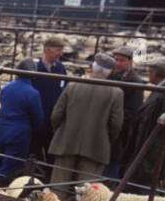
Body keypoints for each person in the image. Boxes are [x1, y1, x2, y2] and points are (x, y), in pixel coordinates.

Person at [48, 54, 123, 190]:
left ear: (92, 67)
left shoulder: (73, 85)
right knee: (86, 193)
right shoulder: (115, 92)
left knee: (58, 187)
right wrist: (105, 139)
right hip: (96, 147)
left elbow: (56, 115)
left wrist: (61, 133)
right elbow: (116, 124)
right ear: (110, 72)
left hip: (66, 143)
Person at [129, 56, 165, 194]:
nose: (148, 74)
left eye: (149, 71)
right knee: (141, 180)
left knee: (147, 183)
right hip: (149, 142)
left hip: (154, 145)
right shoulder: (162, 89)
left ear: (154, 73)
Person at [0, 58, 47, 183]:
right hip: (19, 131)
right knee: (10, 164)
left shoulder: (7, 87)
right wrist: (35, 129)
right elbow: (38, 118)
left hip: (2, 127)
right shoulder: (32, 93)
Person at [104, 43, 144, 181]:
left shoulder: (135, 82)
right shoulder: (111, 77)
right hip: (106, 129)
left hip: (121, 132)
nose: (118, 63)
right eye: (116, 60)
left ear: (130, 62)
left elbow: (132, 111)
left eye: (122, 60)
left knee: (113, 163)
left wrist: (112, 119)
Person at [29, 35, 67, 156]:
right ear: (47, 50)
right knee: (33, 153)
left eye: (61, 50)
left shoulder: (61, 68)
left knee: (52, 154)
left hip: (54, 123)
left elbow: (65, 90)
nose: (61, 54)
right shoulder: (35, 70)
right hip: (37, 122)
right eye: (58, 50)